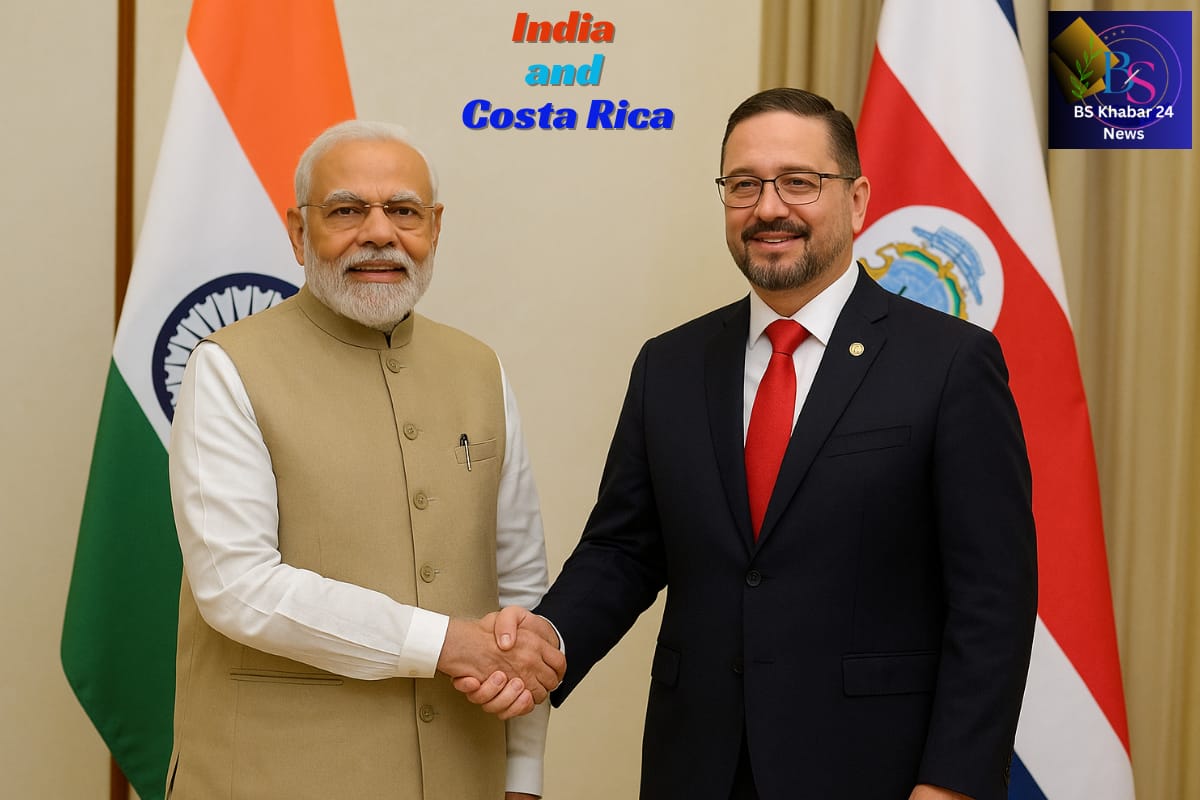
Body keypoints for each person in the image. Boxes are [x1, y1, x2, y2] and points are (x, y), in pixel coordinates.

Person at [465, 88, 1038, 800]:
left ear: (858, 200)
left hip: (874, 769)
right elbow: (624, 549)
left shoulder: (950, 363)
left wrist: (952, 784)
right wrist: (548, 640)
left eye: (799, 181)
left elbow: (994, 599)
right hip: (697, 765)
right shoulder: (670, 364)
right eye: (744, 185)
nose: (769, 208)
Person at [166, 120, 564, 800]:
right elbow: (237, 587)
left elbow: (522, 585)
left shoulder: (479, 368)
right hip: (273, 776)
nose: (379, 233)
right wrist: (446, 643)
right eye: (347, 210)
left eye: (404, 211)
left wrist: (522, 771)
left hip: (463, 775)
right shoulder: (227, 367)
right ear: (299, 233)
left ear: (434, 227)